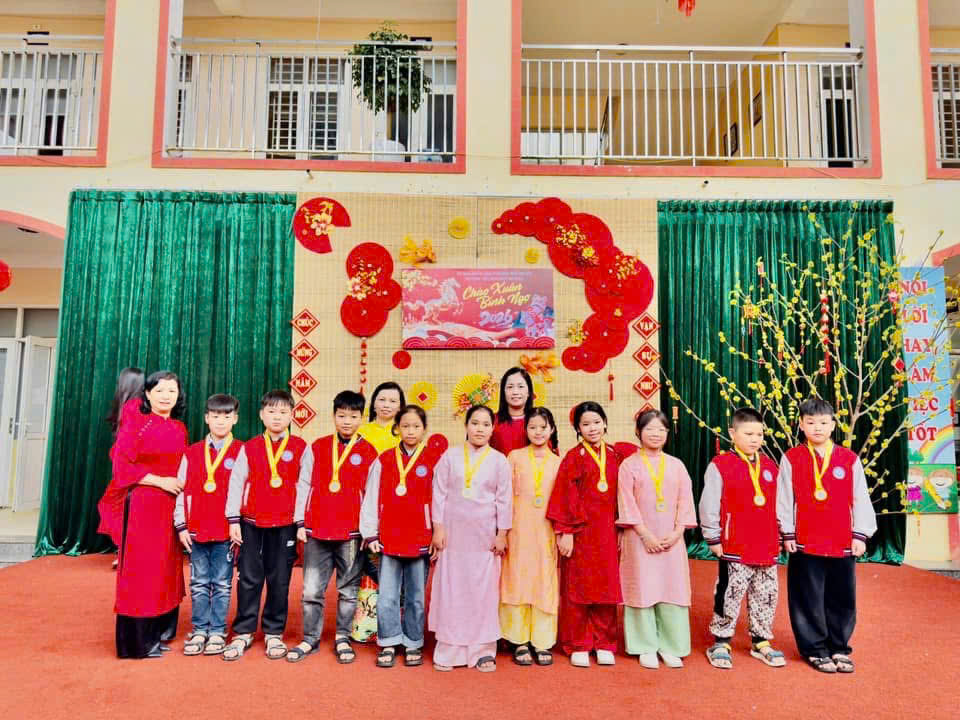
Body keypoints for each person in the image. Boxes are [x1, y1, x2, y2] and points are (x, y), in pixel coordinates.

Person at [777, 397, 877, 674]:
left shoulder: (849, 459)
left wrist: (860, 535)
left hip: (842, 540)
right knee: (807, 597)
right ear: (800, 425)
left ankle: (839, 647)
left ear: (833, 425)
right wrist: (787, 532)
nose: (817, 428)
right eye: (810, 423)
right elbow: (784, 499)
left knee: (842, 597)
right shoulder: (792, 458)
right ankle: (814, 649)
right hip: (805, 541)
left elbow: (860, 498)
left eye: (823, 423)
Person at [287, 390, 378, 664]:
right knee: (311, 590)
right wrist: (300, 521)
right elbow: (303, 484)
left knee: (348, 590)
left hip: (351, 533)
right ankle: (310, 638)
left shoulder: (370, 452)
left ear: (362, 418)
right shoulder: (317, 447)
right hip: (317, 530)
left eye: (353, 416)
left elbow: (373, 495)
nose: (347, 421)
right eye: (342, 416)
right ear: (334, 416)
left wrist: (368, 531)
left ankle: (342, 637)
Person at [223, 390, 312, 661]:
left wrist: (301, 521)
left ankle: (274, 632)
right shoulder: (249, 447)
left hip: (285, 524)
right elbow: (236, 482)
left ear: (292, 416)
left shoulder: (301, 447)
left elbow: (306, 487)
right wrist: (233, 519)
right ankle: (244, 631)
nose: (277, 417)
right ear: (262, 414)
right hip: (251, 523)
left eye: (283, 412)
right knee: (249, 578)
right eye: (271, 412)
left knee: (279, 579)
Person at [699, 407, 785, 671]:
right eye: (748, 434)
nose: (755, 439)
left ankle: (761, 640)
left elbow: (779, 505)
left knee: (766, 594)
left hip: (766, 545)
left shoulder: (770, 467)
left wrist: (782, 535)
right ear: (732, 433)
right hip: (734, 545)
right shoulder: (720, 465)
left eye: (759, 434)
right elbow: (709, 504)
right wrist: (713, 536)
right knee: (730, 592)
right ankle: (721, 641)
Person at [428, 404, 512, 672]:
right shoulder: (449, 456)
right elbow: (438, 493)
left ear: (493, 428)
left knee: (483, 591)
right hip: (453, 538)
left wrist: (502, 533)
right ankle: (449, 650)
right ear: (466, 425)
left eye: (486, 424)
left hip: (484, 539)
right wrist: (438, 528)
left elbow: (504, 499)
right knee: (452, 588)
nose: (480, 429)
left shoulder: (499, 460)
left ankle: (483, 650)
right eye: (475, 423)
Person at [112, 370, 188, 659]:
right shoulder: (136, 423)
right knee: (142, 570)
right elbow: (122, 466)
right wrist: (159, 481)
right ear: (147, 394)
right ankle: (137, 643)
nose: (166, 396)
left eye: (172, 391)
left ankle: (158, 633)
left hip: (171, 507)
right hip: (144, 505)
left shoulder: (179, 428)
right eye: (159, 391)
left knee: (166, 569)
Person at [360, 404, 443, 668]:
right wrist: (370, 533)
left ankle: (413, 641)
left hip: (420, 536)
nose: (410, 431)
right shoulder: (384, 459)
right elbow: (371, 496)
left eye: (416, 426)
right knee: (387, 594)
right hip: (389, 537)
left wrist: (437, 533)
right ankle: (388, 641)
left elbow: (441, 500)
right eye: (405, 426)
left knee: (416, 595)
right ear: (397, 428)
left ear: (424, 429)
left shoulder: (433, 460)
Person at [617, 410, 696, 669]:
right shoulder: (628, 465)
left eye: (661, 430)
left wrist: (677, 532)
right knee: (642, 587)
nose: (656, 434)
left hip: (671, 539)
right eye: (650, 429)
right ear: (638, 432)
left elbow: (686, 501)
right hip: (639, 539)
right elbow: (626, 503)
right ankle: (645, 645)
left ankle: (672, 645)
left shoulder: (677, 465)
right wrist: (645, 535)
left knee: (672, 588)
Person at [547, 401, 622, 668]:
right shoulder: (573, 457)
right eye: (586, 424)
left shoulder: (615, 455)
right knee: (577, 589)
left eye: (596, 422)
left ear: (605, 423)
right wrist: (565, 531)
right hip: (580, 533)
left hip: (608, 532)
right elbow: (564, 496)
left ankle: (604, 642)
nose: (592, 428)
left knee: (606, 587)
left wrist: (623, 529)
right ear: (578, 428)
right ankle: (578, 643)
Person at [173, 394, 242, 657]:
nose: (221, 421)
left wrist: (238, 525)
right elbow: (181, 491)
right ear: (206, 418)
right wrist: (181, 525)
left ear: (235, 419)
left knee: (222, 584)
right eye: (215, 416)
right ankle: (200, 629)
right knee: (199, 583)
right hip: (196, 530)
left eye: (226, 416)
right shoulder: (191, 453)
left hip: (226, 531)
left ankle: (218, 632)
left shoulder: (242, 451)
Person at [499, 406, 560, 667]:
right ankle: (518, 640)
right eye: (533, 427)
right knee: (517, 581)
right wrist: (502, 531)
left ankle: (542, 642)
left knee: (544, 582)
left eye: (543, 427)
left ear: (552, 430)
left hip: (546, 531)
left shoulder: (559, 462)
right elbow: (503, 496)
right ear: (526, 430)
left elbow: (563, 502)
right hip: (518, 530)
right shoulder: (514, 457)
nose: (538, 432)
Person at [98, 367, 146, 563]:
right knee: (121, 507)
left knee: (115, 506)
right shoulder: (135, 406)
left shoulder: (132, 407)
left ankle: (127, 549)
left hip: (130, 464)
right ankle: (127, 549)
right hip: (129, 463)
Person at [490, 367, 534, 455]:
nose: (515, 392)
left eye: (520, 386)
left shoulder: (539, 421)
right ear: (503, 392)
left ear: (529, 392)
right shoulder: (491, 421)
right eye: (510, 387)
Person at [358, 382, 405, 454]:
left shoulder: (405, 433)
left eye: (393, 401)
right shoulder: (360, 432)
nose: (386, 405)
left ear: (400, 407)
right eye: (382, 400)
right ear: (373, 403)